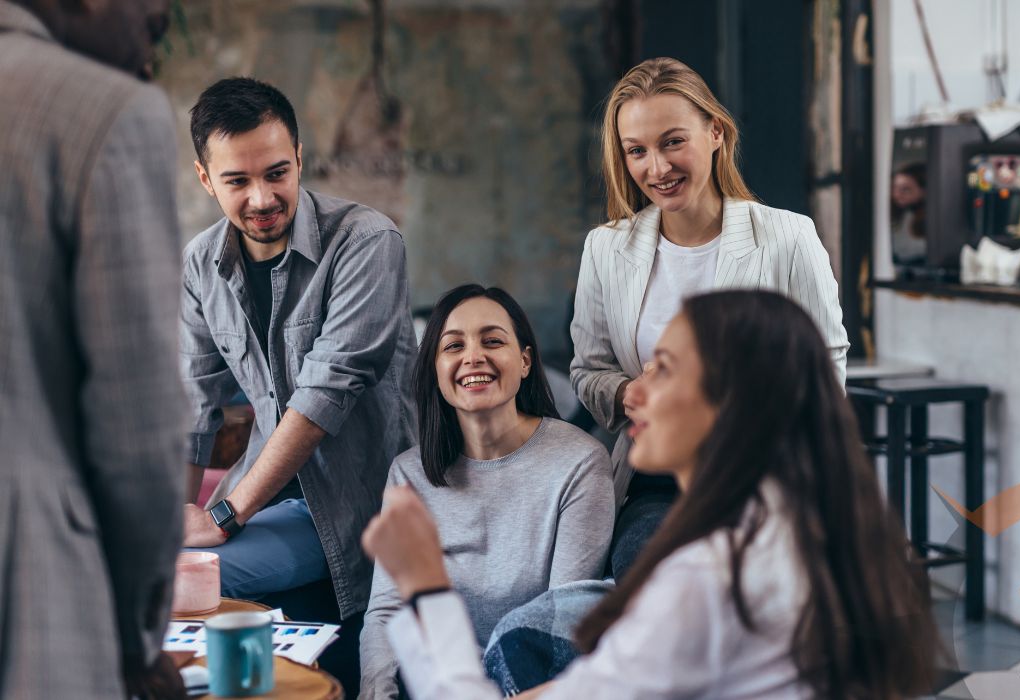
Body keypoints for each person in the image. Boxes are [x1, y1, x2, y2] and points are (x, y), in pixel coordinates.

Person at [363, 289, 936, 699]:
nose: (632, 395)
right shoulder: (794, 529)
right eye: (451, 346)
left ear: (729, 401)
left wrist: (427, 590)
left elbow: (559, 633)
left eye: (661, 369)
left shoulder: (708, 578)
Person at [570, 56, 851, 578]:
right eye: (637, 151)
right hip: (656, 482)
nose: (657, 168)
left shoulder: (788, 237)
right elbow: (588, 370)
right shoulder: (606, 249)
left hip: (765, 473)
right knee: (655, 573)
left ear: (715, 132)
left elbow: (825, 364)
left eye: (673, 142)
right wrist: (626, 393)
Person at [179, 77, 417, 627]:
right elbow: (191, 406)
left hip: (353, 504)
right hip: (256, 501)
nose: (262, 199)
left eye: (277, 173)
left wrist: (221, 515)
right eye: (237, 180)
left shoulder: (366, 241)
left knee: (182, 585)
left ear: (300, 158)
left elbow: (322, 396)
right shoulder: (199, 263)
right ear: (205, 179)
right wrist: (177, 521)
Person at [0, 1, 187, 698]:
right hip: (30, 597)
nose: (161, 19)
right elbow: (138, 433)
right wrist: (136, 640)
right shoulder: (103, 115)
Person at [360, 285, 615, 698]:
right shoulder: (408, 472)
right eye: (453, 346)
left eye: (493, 341)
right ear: (435, 369)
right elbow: (387, 610)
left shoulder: (579, 462)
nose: (473, 357)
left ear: (526, 361)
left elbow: (556, 627)